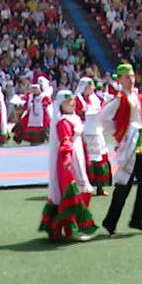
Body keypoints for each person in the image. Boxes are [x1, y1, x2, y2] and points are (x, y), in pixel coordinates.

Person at [102, 63, 142, 235]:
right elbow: (104, 118)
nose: (130, 80)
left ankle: (135, 219)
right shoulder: (119, 98)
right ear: (120, 79)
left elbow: (139, 119)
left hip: (138, 142)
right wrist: (118, 134)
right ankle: (112, 221)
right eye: (126, 77)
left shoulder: (136, 95)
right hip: (128, 144)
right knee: (125, 183)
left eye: (132, 77)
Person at [39, 90, 98, 241]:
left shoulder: (75, 118)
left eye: (72, 100)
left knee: (81, 190)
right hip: (70, 161)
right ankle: (71, 229)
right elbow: (65, 142)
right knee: (72, 193)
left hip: (78, 157)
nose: (72, 103)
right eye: (67, 101)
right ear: (60, 105)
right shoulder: (63, 121)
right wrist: (67, 159)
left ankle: (72, 226)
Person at [77, 77, 113, 191]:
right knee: (87, 159)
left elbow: (101, 108)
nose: (92, 89)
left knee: (100, 158)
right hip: (84, 132)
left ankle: (100, 187)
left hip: (96, 131)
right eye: (89, 87)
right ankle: (85, 186)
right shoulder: (78, 99)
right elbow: (80, 114)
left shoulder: (95, 98)